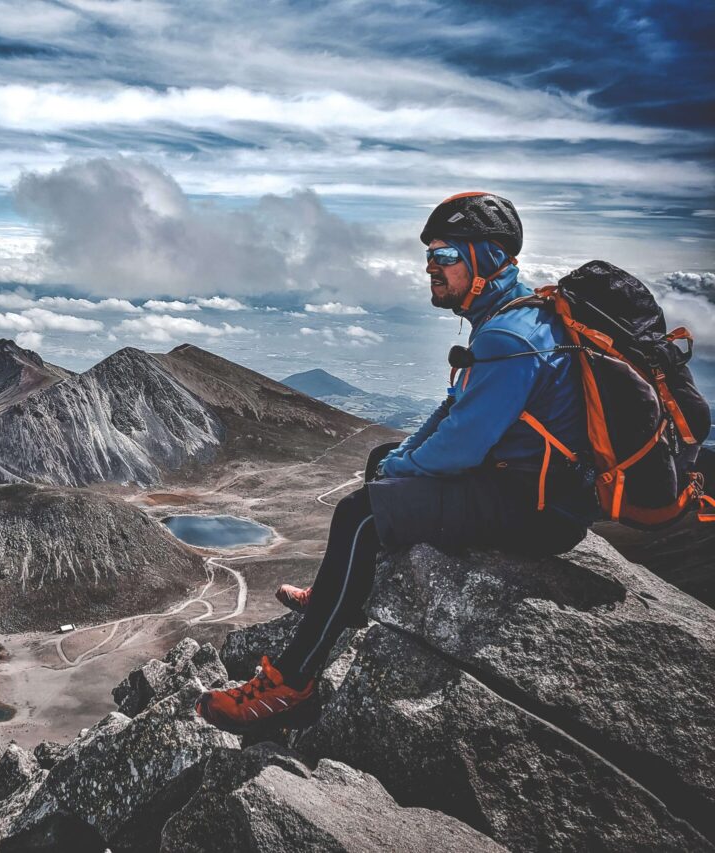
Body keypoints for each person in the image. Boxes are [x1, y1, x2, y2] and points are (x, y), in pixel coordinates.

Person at [195, 192, 598, 735]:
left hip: (537, 506)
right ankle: (345, 591)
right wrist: (401, 461)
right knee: (384, 459)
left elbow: (460, 447)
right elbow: (456, 407)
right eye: (430, 256)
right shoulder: (515, 312)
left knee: (359, 515)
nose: (432, 268)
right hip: (529, 484)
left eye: (445, 255)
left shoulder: (507, 336)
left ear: (485, 258)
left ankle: (289, 685)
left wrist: (403, 474)